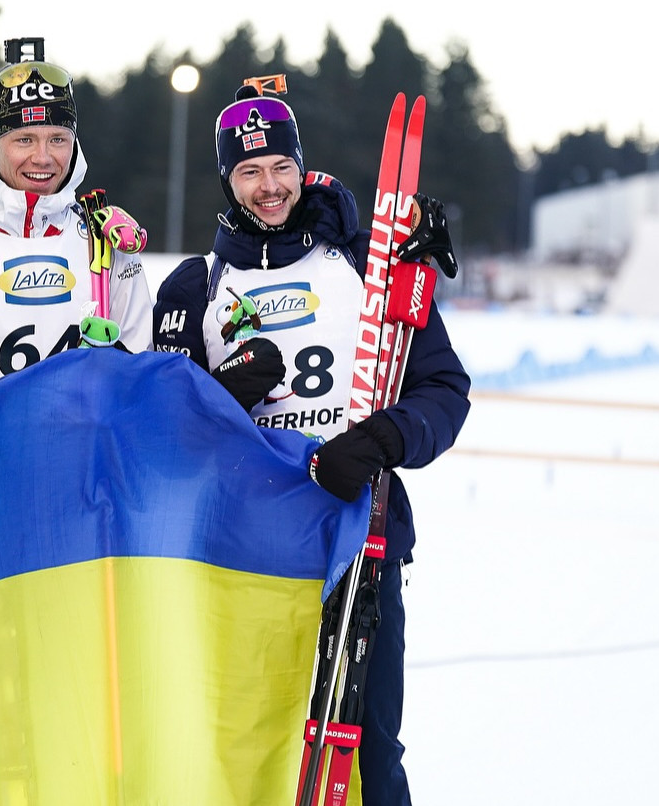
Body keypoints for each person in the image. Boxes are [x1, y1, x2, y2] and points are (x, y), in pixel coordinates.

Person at [151, 79, 471, 806]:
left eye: (280, 168)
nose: (269, 187)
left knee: (366, 745)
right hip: (240, 549)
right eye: (249, 171)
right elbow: (161, 442)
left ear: (302, 166)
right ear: (227, 180)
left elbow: (444, 391)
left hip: (361, 535)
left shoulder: (368, 265)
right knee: (239, 734)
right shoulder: (195, 287)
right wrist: (217, 398)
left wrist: (385, 436)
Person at [0, 38, 153, 383]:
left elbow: (142, 368)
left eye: (58, 139)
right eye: (25, 139)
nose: (43, 158)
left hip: (80, 435)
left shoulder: (105, 240)